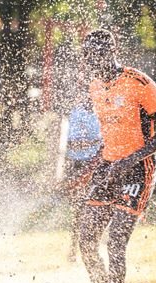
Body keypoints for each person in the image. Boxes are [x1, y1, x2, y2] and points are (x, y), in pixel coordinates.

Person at [79, 29, 156, 283]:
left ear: (112, 50)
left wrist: (129, 160)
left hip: (137, 168)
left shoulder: (139, 82)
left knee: (116, 242)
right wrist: (98, 162)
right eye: (90, 53)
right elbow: (111, 135)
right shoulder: (94, 87)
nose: (96, 57)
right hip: (109, 168)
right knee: (86, 241)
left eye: (101, 51)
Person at [63, 88, 101, 262]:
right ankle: (73, 248)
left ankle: (94, 244)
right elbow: (71, 142)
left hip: (95, 164)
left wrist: (89, 143)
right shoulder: (75, 114)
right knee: (78, 209)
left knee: (95, 207)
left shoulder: (101, 113)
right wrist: (92, 142)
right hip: (77, 164)